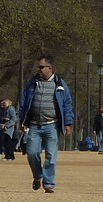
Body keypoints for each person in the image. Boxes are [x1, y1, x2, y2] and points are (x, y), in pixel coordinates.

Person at [18, 56, 74, 193]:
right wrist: (22, 119)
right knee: (32, 153)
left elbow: (67, 104)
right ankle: (37, 175)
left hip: (52, 125)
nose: (39, 69)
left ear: (50, 68)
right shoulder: (32, 83)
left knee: (51, 156)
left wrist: (68, 123)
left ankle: (48, 183)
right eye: (38, 67)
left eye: (41, 67)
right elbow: (24, 101)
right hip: (34, 125)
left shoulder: (60, 84)